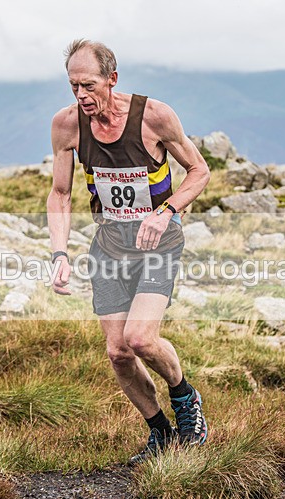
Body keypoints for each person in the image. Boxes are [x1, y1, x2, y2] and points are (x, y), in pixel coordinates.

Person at [46, 39, 211, 464]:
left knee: (140, 339)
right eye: (73, 86)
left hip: (158, 243)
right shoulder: (67, 126)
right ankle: (160, 432)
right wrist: (59, 254)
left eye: (88, 85)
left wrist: (166, 210)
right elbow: (60, 193)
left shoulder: (153, 117)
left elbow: (199, 170)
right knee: (118, 352)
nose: (81, 96)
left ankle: (186, 399)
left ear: (112, 79)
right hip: (109, 246)